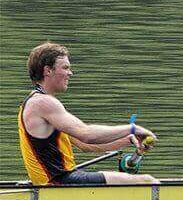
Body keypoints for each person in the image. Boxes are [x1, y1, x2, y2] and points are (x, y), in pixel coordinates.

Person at [18, 42, 158, 185]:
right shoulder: (43, 103)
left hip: (60, 181)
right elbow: (87, 134)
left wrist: (128, 139)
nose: (70, 73)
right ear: (48, 71)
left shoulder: (38, 103)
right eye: (65, 68)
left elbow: (86, 145)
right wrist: (132, 128)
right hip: (60, 182)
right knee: (148, 182)